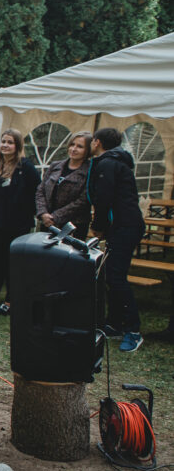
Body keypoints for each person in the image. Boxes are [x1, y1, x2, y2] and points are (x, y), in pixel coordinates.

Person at [87, 127, 146, 351]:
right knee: (112, 275)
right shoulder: (114, 161)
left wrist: (98, 226)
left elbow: (104, 199)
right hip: (123, 225)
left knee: (116, 277)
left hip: (124, 225)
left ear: (97, 142)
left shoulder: (108, 164)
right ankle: (114, 324)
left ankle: (133, 330)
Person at [0, 129, 40, 314]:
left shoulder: (25, 167)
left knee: (13, 262)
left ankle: (11, 300)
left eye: (10, 142)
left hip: (15, 223)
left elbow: (36, 192)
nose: (5, 145)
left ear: (18, 145)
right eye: (3, 141)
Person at [35, 131, 92, 238]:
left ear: (88, 150)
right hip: (47, 223)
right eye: (72, 144)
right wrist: (43, 213)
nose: (74, 149)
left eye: (79, 146)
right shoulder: (55, 165)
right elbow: (40, 190)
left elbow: (83, 200)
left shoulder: (90, 171)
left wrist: (55, 217)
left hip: (73, 226)